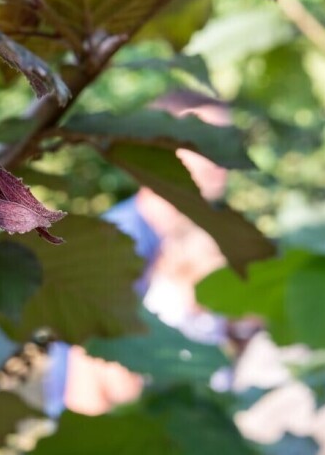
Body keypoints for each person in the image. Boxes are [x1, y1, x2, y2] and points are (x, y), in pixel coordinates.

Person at [44, 91, 234, 417]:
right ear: (161, 150)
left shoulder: (198, 239)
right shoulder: (115, 242)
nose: (222, 160)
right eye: (205, 144)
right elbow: (89, 382)